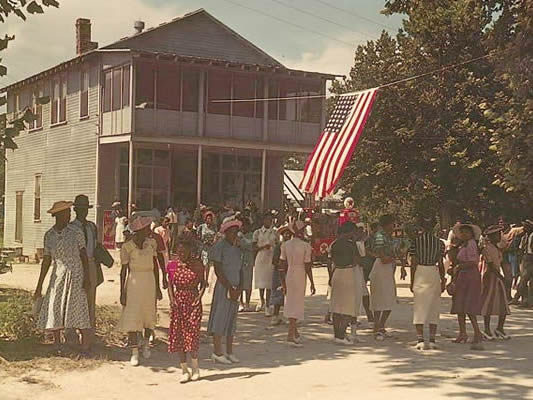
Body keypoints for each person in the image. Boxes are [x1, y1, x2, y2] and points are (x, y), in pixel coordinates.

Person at [34, 201, 91, 356]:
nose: (69, 215)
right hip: (58, 273)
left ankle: (85, 344)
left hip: (75, 272)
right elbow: (46, 260)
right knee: (55, 305)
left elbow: (84, 255)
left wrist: (86, 277)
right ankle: (57, 343)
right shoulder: (49, 235)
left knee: (78, 305)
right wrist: (39, 285)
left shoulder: (76, 232)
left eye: (69, 213)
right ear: (57, 215)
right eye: (66, 213)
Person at [117, 216, 163, 366]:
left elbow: (156, 266)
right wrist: (122, 292)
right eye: (146, 229)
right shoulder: (127, 247)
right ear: (138, 231)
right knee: (133, 315)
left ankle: (145, 344)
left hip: (149, 281)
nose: (149, 231)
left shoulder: (152, 244)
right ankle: (134, 352)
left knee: (148, 313)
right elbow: (123, 271)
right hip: (134, 283)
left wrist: (158, 286)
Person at [167, 235, 206, 383]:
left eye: (185, 251)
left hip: (193, 301)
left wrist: (199, 297)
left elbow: (203, 283)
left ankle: (195, 368)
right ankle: (184, 370)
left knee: (192, 333)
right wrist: (172, 300)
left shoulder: (197, 265)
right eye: (180, 251)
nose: (182, 253)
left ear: (190, 251)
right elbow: (170, 284)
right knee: (179, 335)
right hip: (178, 302)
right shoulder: (172, 265)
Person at [68, 194, 102, 349]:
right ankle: (71, 335)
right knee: (73, 300)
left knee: (89, 302)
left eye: (85, 209)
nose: (83, 212)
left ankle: (88, 337)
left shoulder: (91, 227)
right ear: (75, 210)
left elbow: (95, 248)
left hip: (91, 264)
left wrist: (98, 269)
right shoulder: (71, 228)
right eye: (80, 209)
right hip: (76, 265)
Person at [207, 218, 243, 365]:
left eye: (236, 232)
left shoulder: (237, 248)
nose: (234, 234)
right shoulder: (219, 247)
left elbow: (240, 268)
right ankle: (217, 351)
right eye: (232, 232)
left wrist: (239, 287)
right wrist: (229, 287)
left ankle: (229, 351)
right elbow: (218, 269)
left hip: (235, 286)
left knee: (231, 320)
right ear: (226, 232)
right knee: (220, 318)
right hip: (224, 287)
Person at [408, 216, 446, 350]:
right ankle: (432, 339)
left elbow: (413, 263)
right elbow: (441, 263)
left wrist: (412, 281)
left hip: (421, 272)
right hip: (433, 272)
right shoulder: (439, 243)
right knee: (433, 306)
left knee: (420, 305)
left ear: (422, 227)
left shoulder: (416, 242)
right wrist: (443, 279)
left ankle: (420, 339)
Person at [280, 220, 315, 347]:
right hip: (300, 274)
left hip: (290, 273)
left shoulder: (285, 245)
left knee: (290, 301)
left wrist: (282, 282)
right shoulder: (306, 246)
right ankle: (290, 335)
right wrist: (312, 282)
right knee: (297, 302)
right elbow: (307, 265)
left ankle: (294, 332)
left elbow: (281, 265)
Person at [450, 223, 484, 350]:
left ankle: (476, 332)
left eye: (466, 232)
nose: (464, 234)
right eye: (462, 232)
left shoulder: (471, 244)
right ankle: (462, 333)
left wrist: (459, 267)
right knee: (460, 305)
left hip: (469, 275)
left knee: (468, 306)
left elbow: (473, 261)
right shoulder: (462, 245)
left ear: (471, 234)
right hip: (462, 276)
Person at [329, 222, 363, 345]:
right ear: (350, 232)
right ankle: (342, 334)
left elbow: (330, 261)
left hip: (336, 272)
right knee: (347, 307)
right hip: (348, 272)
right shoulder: (351, 244)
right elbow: (357, 260)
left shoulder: (334, 244)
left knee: (336, 306)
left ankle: (336, 335)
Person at [480, 225, 511, 340]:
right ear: (491, 236)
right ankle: (487, 329)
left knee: (503, 304)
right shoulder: (487, 248)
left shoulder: (496, 248)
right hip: (491, 277)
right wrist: (501, 277)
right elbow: (491, 265)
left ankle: (499, 328)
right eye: (497, 234)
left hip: (496, 277)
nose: (499, 236)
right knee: (488, 303)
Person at [369, 215, 397, 341]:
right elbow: (382, 255)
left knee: (388, 297)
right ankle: (378, 325)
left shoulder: (387, 236)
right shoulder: (380, 236)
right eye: (392, 224)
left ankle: (380, 325)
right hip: (381, 266)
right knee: (380, 297)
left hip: (386, 267)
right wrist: (389, 257)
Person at [253, 213, 278, 315]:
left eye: (270, 220)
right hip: (261, 257)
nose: (268, 221)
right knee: (261, 282)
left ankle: (268, 304)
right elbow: (254, 247)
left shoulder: (275, 233)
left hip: (270, 257)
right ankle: (262, 300)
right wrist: (263, 246)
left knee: (269, 282)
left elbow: (277, 245)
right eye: (267, 219)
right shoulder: (257, 233)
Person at [271, 225, 292, 326]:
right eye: (285, 233)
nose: (287, 235)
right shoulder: (278, 246)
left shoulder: (292, 246)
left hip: (290, 273)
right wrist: (281, 265)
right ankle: (275, 316)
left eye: (289, 233)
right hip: (279, 273)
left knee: (289, 295)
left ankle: (289, 316)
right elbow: (274, 261)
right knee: (278, 294)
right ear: (282, 235)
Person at [512, 219, 533, 307]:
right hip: (525, 257)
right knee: (524, 279)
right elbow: (521, 248)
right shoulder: (524, 236)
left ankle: (517, 298)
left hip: (530, 257)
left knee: (524, 279)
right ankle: (526, 300)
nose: (525, 228)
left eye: (527, 226)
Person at [198, 211, 218, 286]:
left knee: (208, 264)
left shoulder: (214, 227)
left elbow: (215, 236)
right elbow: (198, 236)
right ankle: (202, 279)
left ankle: (206, 279)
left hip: (211, 247)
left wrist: (213, 242)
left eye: (210, 218)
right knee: (204, 263)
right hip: (203, 247)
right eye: (207, 218)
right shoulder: (201, 227)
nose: (209, 220)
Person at [238, 219, 254, 312]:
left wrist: (243, 243)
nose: (244, 228)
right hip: (239, 260)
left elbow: (251, 245)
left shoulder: (252, 235)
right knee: (240, 282)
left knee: (248, 283)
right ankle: (240, 303)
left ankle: (247, 303)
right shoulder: (238, 235)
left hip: (249, 261)